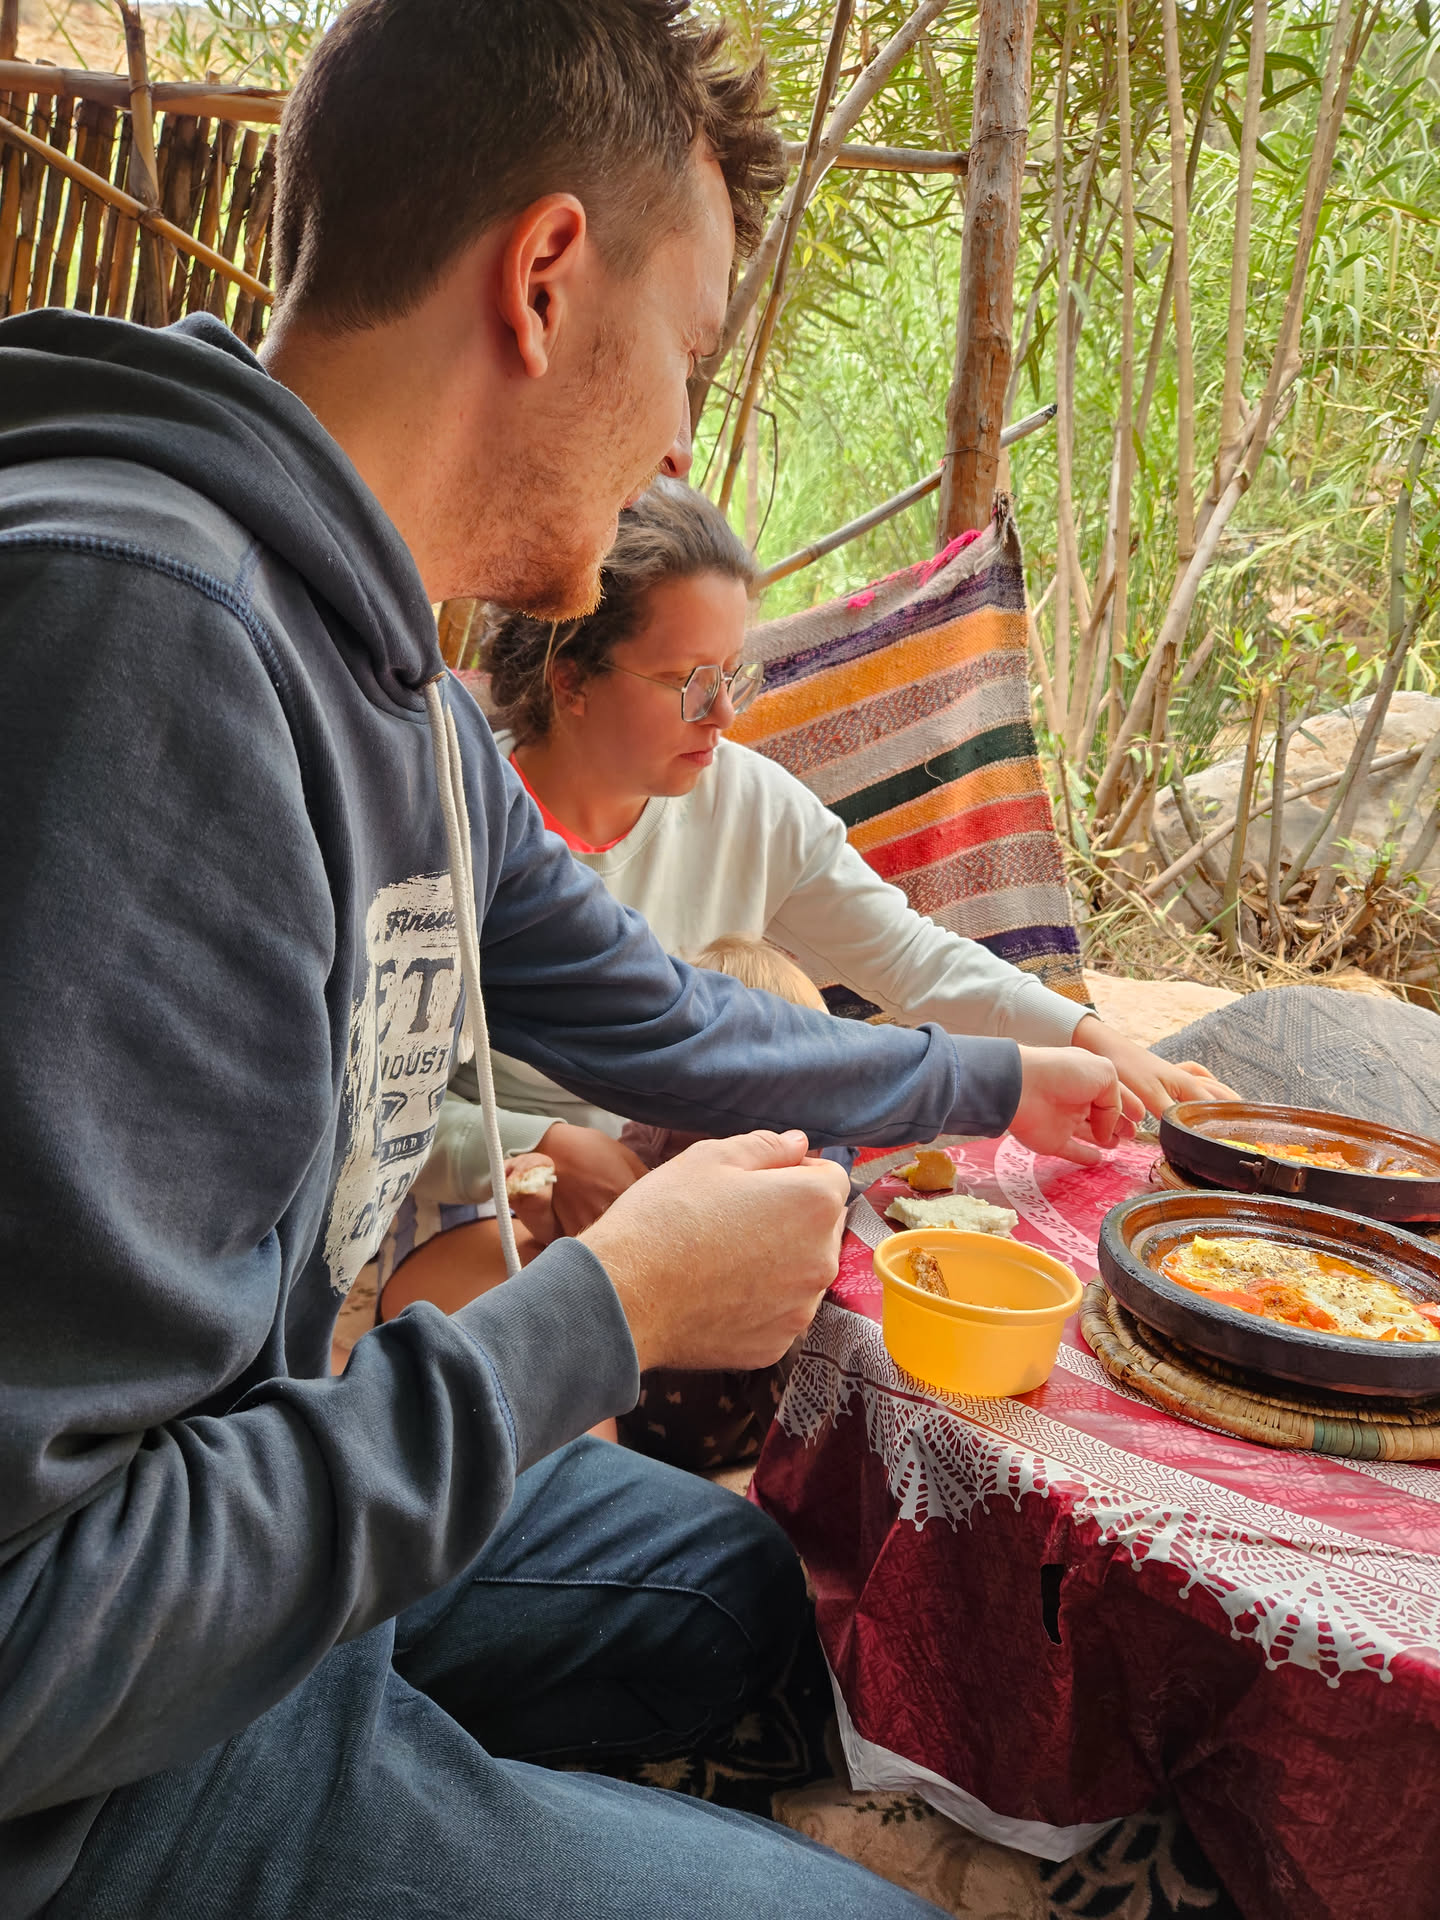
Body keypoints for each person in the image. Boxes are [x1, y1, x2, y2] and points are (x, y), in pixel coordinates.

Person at [0, 5, 1140, 1918]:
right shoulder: (143, 646)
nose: (686, 433)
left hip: (262, 1547)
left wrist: (1006, 1078)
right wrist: (610, 1310)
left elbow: (662, 1016)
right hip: (106, 1774)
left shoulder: (398, 700)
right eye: (689, 344)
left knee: (735, 1593)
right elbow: (36, 1628)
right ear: (543, 276)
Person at [386, 479, 1231, 1308]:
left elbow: (913, 961)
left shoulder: (750, 804)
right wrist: (547, 1148)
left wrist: (1095, 1039)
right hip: (499, 1202)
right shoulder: (453, 831)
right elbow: (385, 1100)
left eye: (733, 675)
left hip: (698, 1185)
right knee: (538, 1319)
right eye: (689, 681)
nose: (723, 714)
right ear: (570, 680)